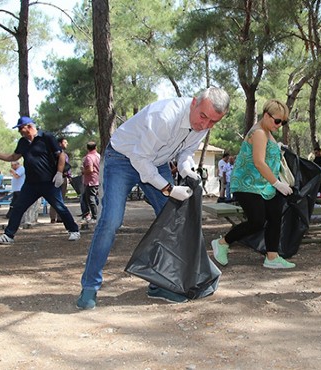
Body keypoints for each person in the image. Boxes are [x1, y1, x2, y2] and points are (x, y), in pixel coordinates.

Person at [76, 87, 230, 310]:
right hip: (123, 159)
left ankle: (160, 283)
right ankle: (89, 287)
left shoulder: (203, 123)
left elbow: (185, 152)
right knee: (110, 221)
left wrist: (187, 169)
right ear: (194, 102)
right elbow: (141, 160)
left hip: (157, 162)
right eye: (203, 117)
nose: (204, 125)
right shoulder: (164, 117)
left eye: (213, 122)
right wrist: (168, 189)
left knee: (174, 220)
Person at [211, 99, 295, 269]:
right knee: (257, 221)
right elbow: (259, 162)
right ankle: (222, 242)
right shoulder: (258, 133)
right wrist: (278, 184)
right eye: (277, 120)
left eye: (283, 122)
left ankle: (272, 257)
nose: (279, 125)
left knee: (274, 217)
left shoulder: (268, 132)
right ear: (266, 115)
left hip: (265, 185)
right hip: (247, 184)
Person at [0, 116, 80, 244]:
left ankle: (74, 230)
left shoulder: (47, 137)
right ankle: (8, 236)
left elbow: (61, 155)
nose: (19, 131)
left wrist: (59, 173)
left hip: (49, 182)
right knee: (18, 207)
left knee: (59, 207)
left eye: (20, 128)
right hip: (31, 184)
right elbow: (14, 156)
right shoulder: (23, 142)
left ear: (29, 127)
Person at [49, 137, 71, 223]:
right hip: (57, 177)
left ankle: (58, 217)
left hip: (64, 177)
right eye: (65, 142)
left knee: (61, 197)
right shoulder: (56, 154)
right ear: (60, 143)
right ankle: (54, 217)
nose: (67, 144)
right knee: (55, 197)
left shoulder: (64, 154)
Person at [81, 141, 101, 222]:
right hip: (98, 179)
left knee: (91, 198)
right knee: (88, 198)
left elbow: (90, 169)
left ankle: (95, 216)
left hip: (91, 180)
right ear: (96, 147)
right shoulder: (98, 156)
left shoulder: (89, 157)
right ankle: (88, 215)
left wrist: (83, 172)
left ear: (87, 148)